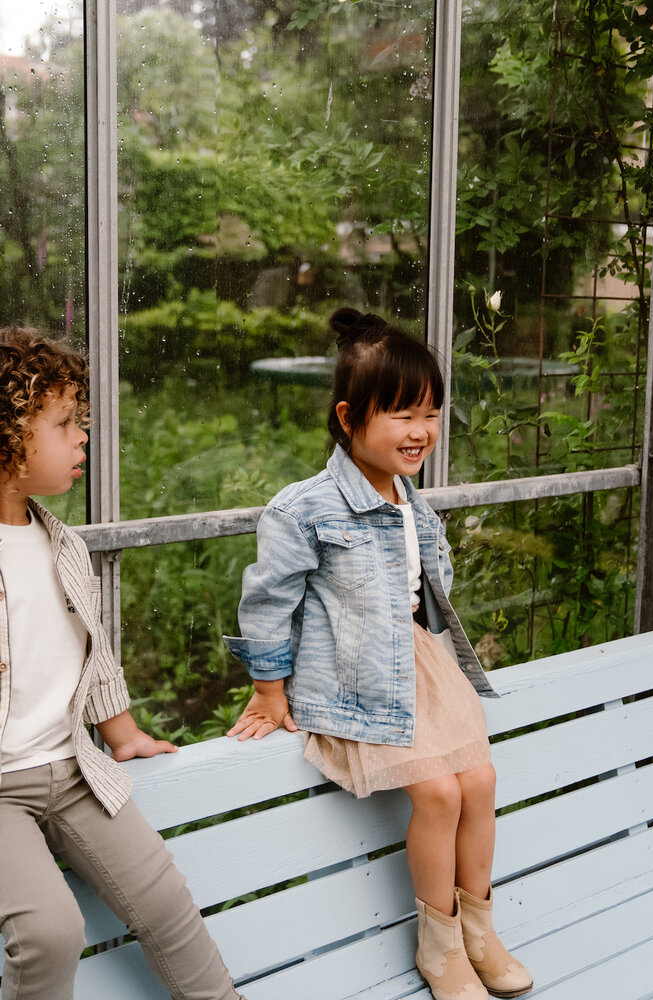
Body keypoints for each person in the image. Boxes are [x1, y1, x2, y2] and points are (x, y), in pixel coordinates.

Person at [224, 308, 533, 1000]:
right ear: (347, 416)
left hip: (423, 668)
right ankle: (441, 944)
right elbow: (267, 602)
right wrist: (271, 690)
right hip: (357, 683)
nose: (420, 431)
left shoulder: (411, 502)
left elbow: (433, 580)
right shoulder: (304, 510)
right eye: (400, 414)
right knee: (439, 790)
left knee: (479, 783)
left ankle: (481, 931)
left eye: (429, 412)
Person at [0, 326, 246, 1000]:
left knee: (165, 899)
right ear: (7, 434)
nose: (83, 437)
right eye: (64, 423)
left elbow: (94, 654)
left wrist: (124, 734)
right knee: (49, 932)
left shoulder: (63, 546)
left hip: (74, 770)